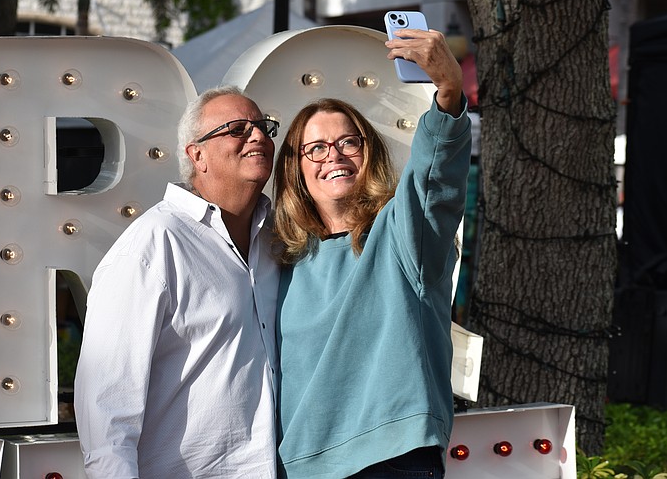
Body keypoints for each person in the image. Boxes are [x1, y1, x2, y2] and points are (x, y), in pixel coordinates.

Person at [272, 28, 471, 478]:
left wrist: (449, 93)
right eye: (316, 148)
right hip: (300, 466)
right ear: (296, 169)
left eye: (349, 142)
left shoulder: (403, 233)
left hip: (391, 459)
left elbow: (435, 182)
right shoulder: (283, 258)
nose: (334, 156)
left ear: (368, 153)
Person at [74, 86, 281, 478]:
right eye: (237, 128)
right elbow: (106, 407)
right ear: (196, 154)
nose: (257, 137)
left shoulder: (275, 241)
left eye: (263, 127)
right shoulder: (153, 243)